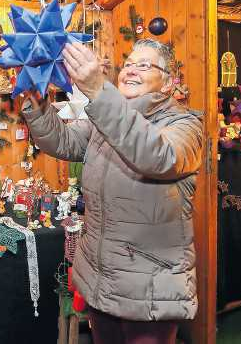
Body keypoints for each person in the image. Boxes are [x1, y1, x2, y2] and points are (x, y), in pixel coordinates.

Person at [22, 39, 203, 344]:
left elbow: (158, 156)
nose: (130, 71)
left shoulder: (186, 126)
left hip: (149, 289)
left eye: (144, 65)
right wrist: (36, 98)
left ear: (170, 83)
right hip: (99, 280)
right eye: (128, 64)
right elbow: (62, 141)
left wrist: (98, 91)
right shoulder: (105, 120)